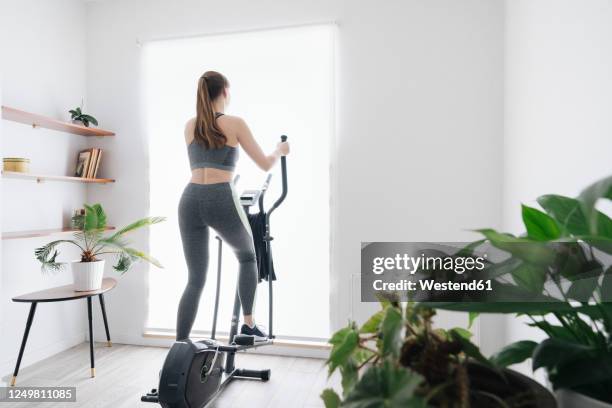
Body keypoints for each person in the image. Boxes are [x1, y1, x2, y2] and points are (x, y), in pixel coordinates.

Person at [176, 71, 290, 341]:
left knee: (195, 279)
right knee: (248, 256)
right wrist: (279, 151)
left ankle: (179, 347)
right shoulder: (235, 123)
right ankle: (248, 324)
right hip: (220, 197)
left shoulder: (190, 125)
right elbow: (264, 163)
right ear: (225, 92)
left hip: (190, 199)